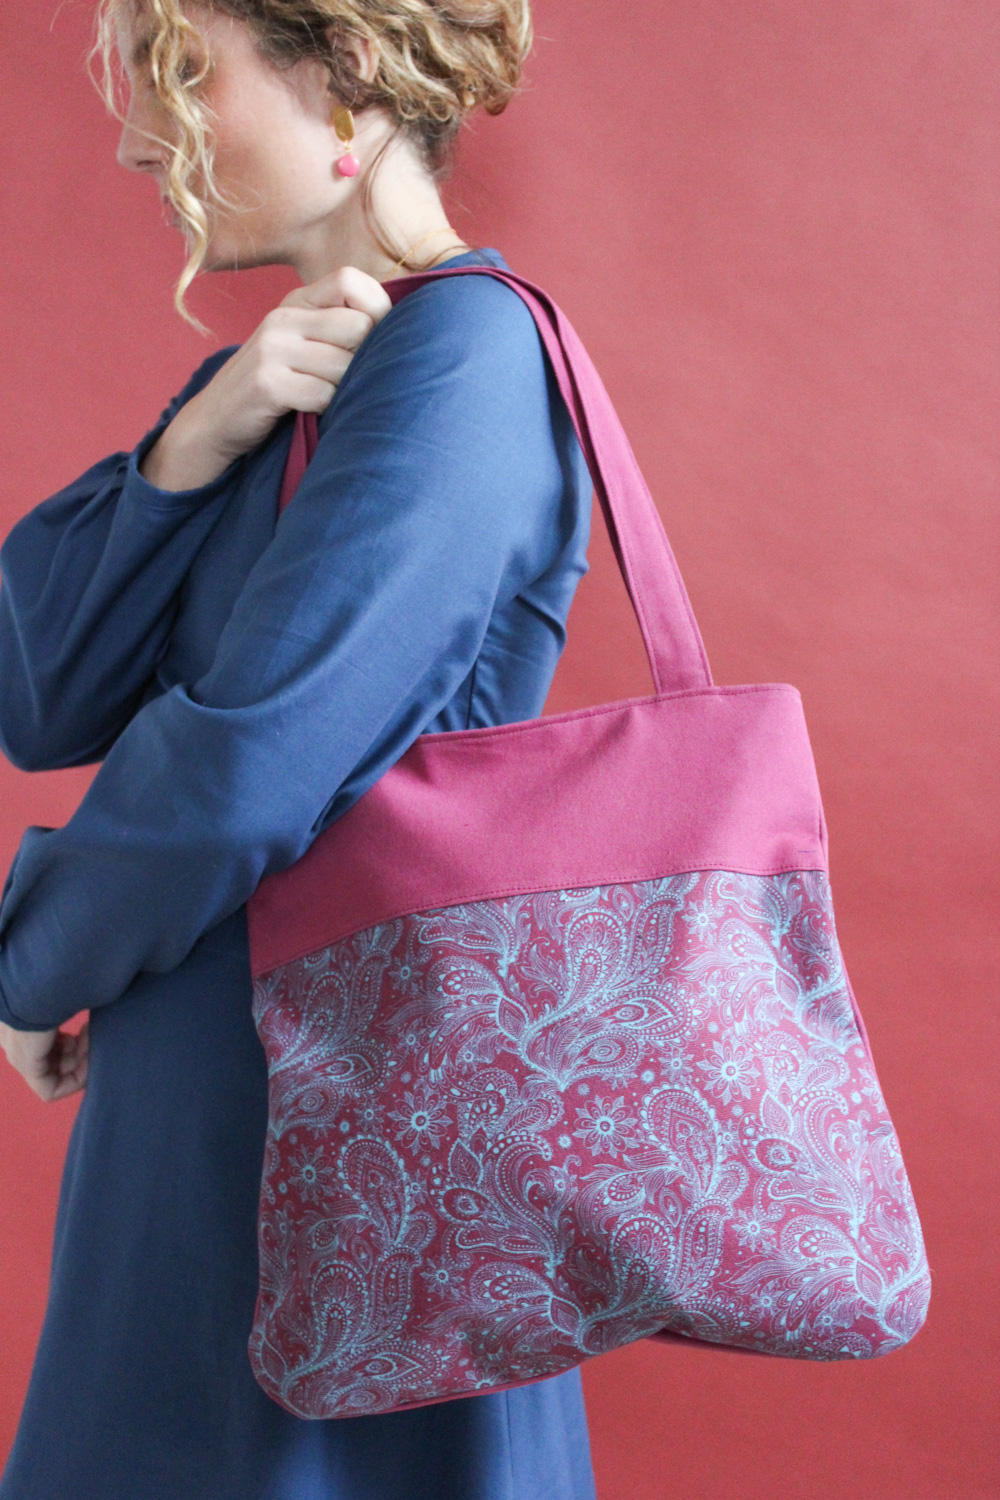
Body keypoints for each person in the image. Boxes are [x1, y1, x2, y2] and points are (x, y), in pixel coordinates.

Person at [0, 2, 597, 1495]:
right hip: (227, 1140)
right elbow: (39, 686)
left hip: (344, 1164)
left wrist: (32, 958)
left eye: (182, 71)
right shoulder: (301, 375)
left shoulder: (465, 356)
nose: (139, 138)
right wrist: (194, 440)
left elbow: (245, 766)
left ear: (353, 76)